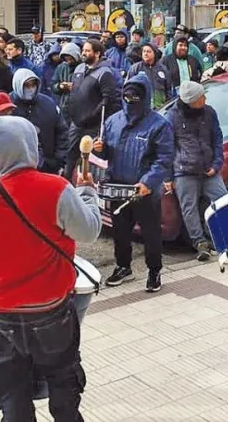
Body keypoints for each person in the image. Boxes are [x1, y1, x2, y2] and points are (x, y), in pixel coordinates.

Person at [0, 114, 101, 422]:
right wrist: (87, 193)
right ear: (30, 146)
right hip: (52, 310)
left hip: (1, 314)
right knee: (63, 381)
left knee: (12, 392)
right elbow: (89, 231)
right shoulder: (55, 189)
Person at [93, 74, 174, 292]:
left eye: (135, 97)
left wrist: (148, 181)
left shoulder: (159, 125)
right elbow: (107, 153)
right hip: (118, 187)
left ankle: (154, 270)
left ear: (145, 97)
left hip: (144, 190)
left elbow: (164, 158)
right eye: (127, 96)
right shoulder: (112, 121)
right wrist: (98, 148)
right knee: (119, 232)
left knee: (150, 233)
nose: (130, 101)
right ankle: (123, 267)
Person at [164, 82, 225, 261]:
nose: (205, 99)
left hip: (209, 168)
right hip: (184, 170)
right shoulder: (172, 118)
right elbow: (167, 149)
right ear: (190, 101)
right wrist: (168, 177)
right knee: (188, 209)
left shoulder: (209, 112)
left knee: (222, 200)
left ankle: (217, 236)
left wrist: (217, 163)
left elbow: (217, 138)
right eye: (201, 98)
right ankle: (200, 243)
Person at [64, 39, 121, 180]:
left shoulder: (105, 73)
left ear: (97, 53)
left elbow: (108, 99)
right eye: (83, 50)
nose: (84, 53)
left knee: (91, 159)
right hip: (76, 124)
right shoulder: (78, 69)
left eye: (88, 51)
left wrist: (93, 115)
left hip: (93, 126)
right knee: (71, 157)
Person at [11, 69, 69, 175]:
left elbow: (62, 132)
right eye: (26, 86)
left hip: (48, 165)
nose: (30, 89)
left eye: (33, 85)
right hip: (16, 167)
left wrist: (58, 161)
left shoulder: (48, 104)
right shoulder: (9, 106)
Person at [127, 42, 171, 108]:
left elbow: (168, 89)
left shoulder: (163, 69)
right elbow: (128, 88)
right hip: (141, 108)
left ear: (154, 53)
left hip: (160, 108)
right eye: (144, 51)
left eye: (149, 51)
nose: (145, 53)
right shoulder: (135, 68)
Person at [51, 42, 80, 113]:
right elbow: (53, 84)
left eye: (71, 59)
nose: (69, 62)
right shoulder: (61, 67)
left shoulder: (83, 67)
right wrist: (60, 86)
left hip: (79, 105)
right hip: (64, 105)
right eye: (67, 59)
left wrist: (75, 87)